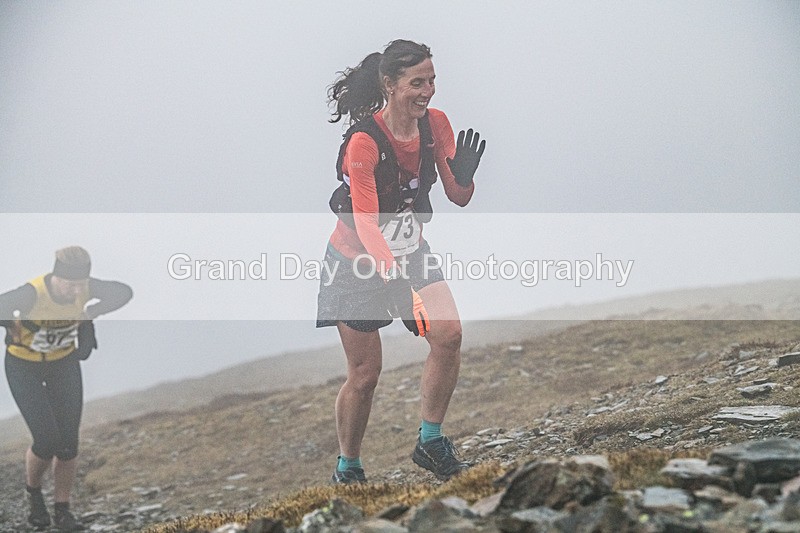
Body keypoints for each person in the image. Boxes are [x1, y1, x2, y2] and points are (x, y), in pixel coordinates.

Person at [317, 39, 486, 484]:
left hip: (410, 252)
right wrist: (402, 290)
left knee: (448, 334)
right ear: (390, 85)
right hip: (355, 263)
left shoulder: (436, 125)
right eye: (417, 82)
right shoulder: (363, 143)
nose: (427, 90)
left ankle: (430, 441)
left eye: (431, 80)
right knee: (365, 375)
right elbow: (368, 224)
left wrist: (464, 178)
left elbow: (457, 197)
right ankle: (348, 468)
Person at [0, 246, 132, 531]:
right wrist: (10, 324)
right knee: (46, 442)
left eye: (80, 285)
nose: (75, 291)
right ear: (55, 276)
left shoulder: (86, 288)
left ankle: (63, 510)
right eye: (69, 285)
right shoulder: (31, 293)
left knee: (69, 446)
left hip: (63, 365)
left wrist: (91, 312)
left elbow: (124, 292)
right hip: (24, 367)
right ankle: (34, 495)